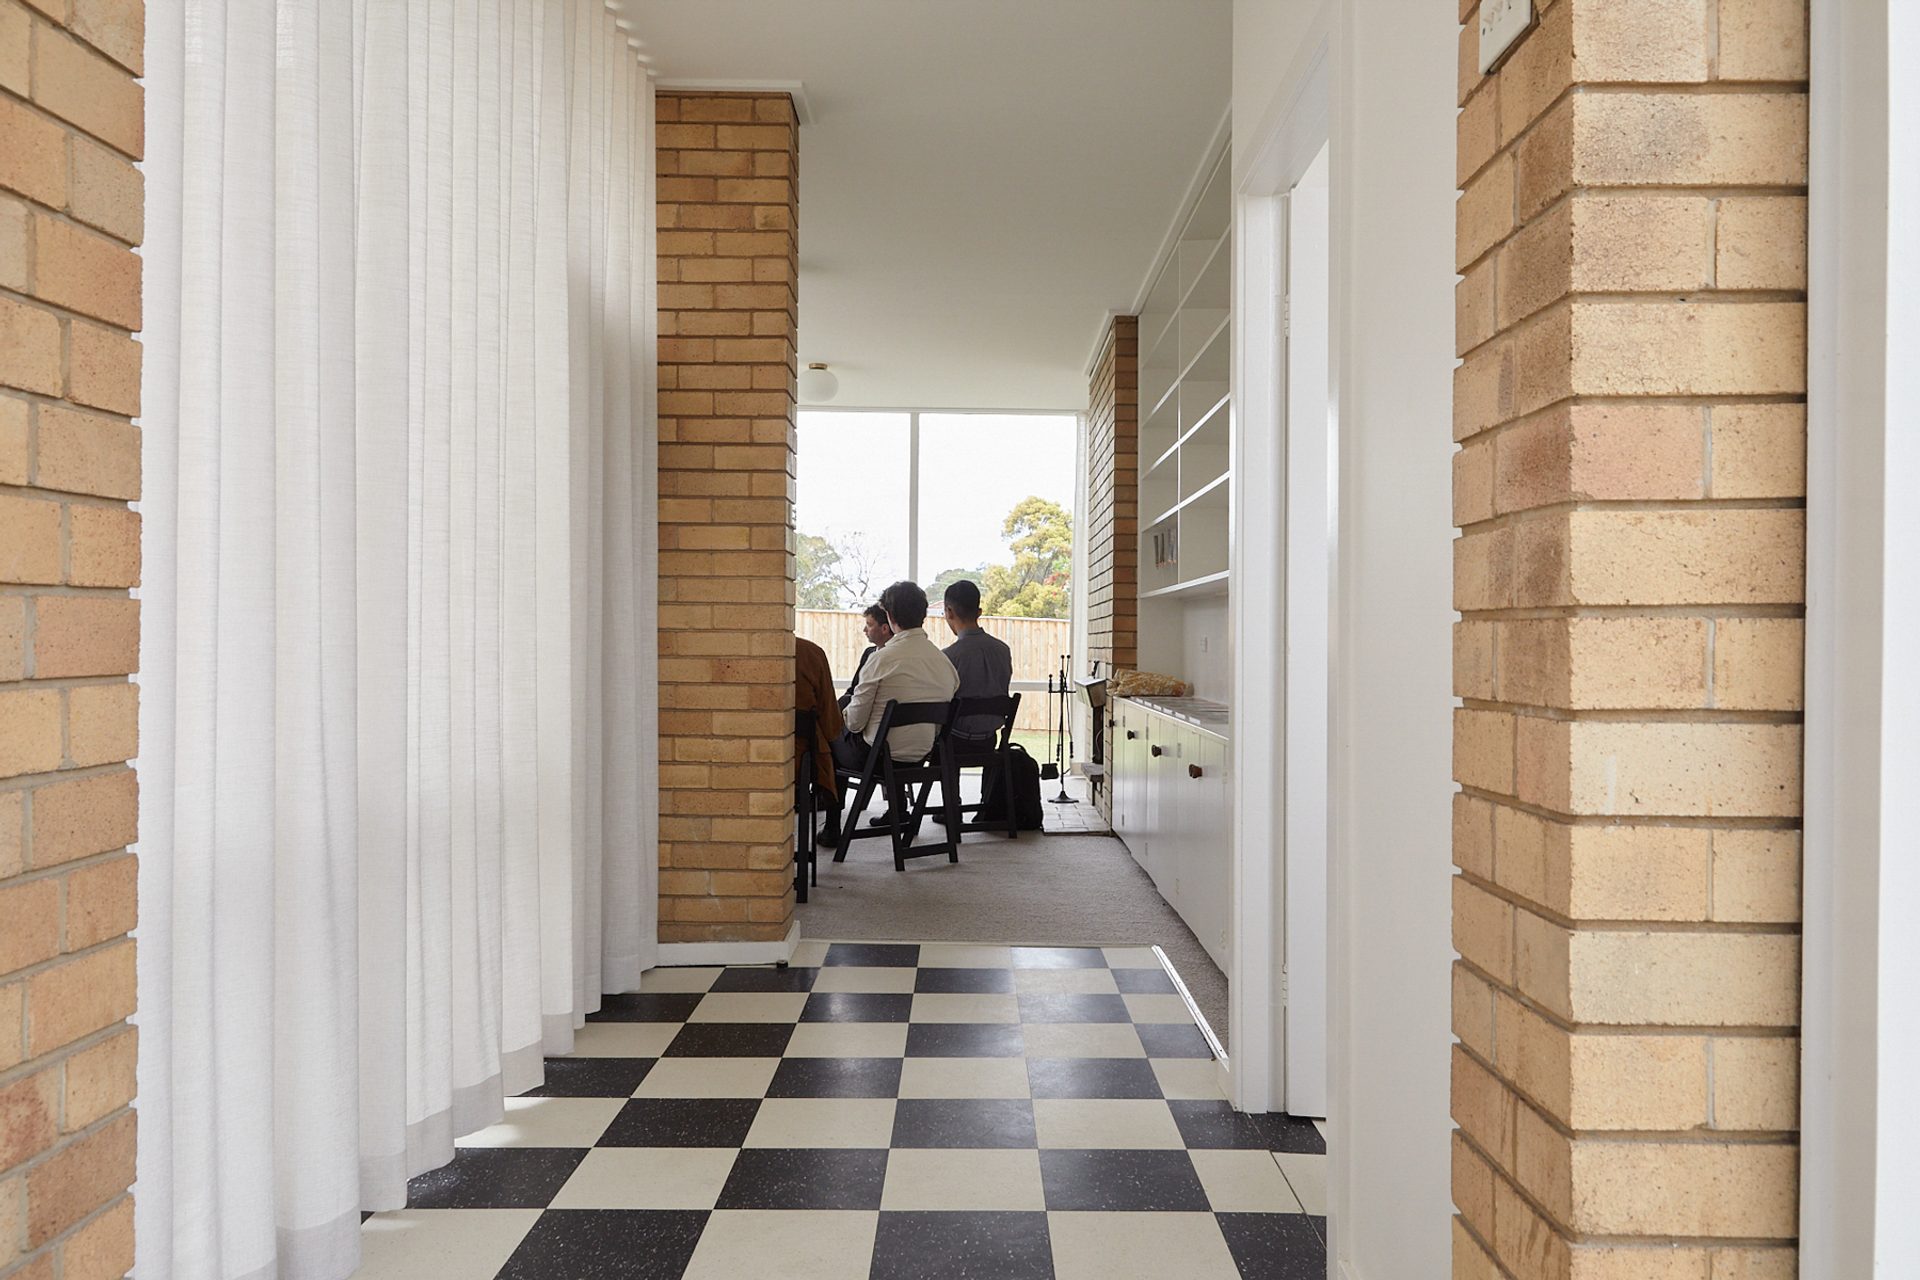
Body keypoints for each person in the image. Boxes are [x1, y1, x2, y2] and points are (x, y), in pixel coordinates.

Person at [836, 580, 959, 777]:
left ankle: (831, 804)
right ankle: (897, 805)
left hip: (875, 759)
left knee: (828, 736)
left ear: (890, 616)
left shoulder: (881, 659)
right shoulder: (946, 665)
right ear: (923, 614)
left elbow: (855, 723)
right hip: (920, 760)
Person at [941, 579, 1013, 746]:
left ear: (949, 612)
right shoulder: (1003, 650)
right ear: (979, 612)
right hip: (990, 740)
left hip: (953, 743)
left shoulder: (949, 656)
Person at [795, 635, 845, 839]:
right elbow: (831, 721)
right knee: (836, 747)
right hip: (797, 764)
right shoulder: (809, 653)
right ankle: (832, 826)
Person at [838, 603, 893, 710]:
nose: (864, 629)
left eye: (869, 625)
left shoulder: (893, 657)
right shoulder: (868, 653)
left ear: (884, 628)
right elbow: (853, 689)